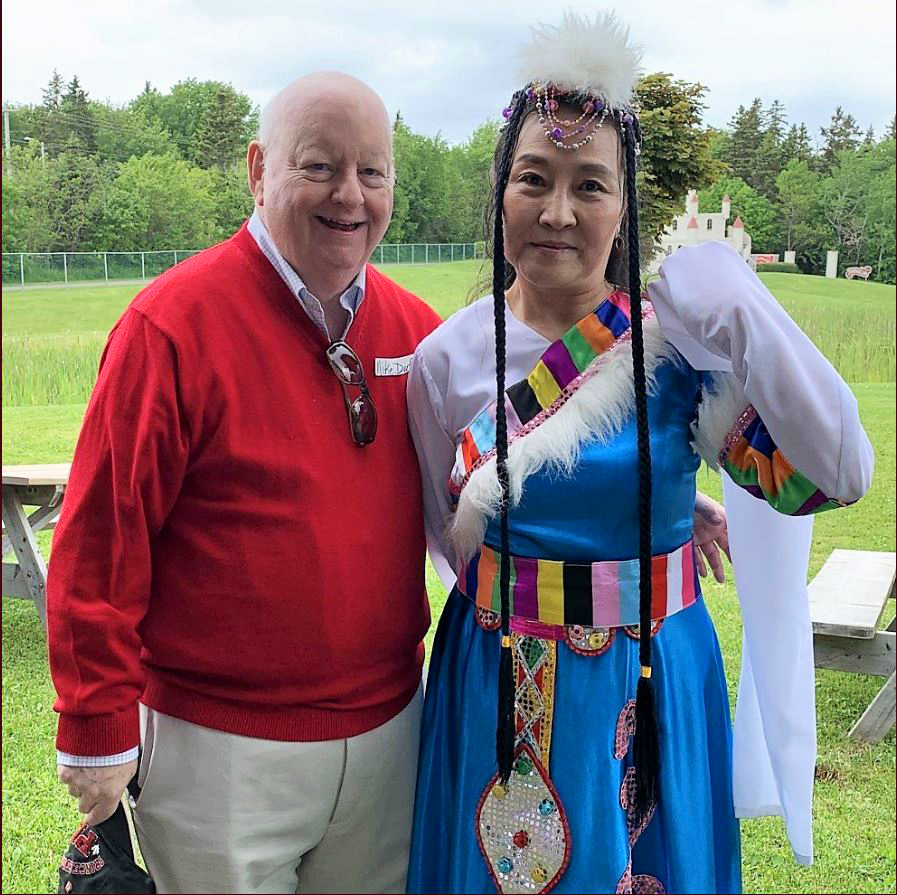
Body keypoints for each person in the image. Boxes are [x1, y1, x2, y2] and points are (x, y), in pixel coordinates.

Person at [405, 13, 874, 894]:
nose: (557, 211)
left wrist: (745, 310)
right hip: (495, 681)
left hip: (654, 678)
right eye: (532, 179)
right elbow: (447, 538)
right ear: (500, 191)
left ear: (623, 208)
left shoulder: (678, 349)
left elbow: (836, 474)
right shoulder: (445, 361)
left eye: (589, 185)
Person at [48, 71, 444, 894]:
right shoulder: (170, 327)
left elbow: (501, 464)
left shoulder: (421, 334)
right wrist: (95, 722)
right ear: (259, 170)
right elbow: (102, 538)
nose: (349, 194)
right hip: (218, 753)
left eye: (371, 171)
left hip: (390, 732)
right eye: (318, 166)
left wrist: (643, 499)